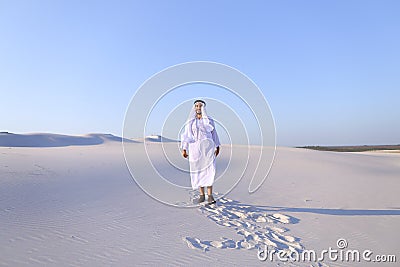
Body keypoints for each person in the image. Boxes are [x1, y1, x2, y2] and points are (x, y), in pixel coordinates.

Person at [181, 99, 220, 204]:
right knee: (198, 170)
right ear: (194, 108)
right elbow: (186, 135)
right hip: (194, 148)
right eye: (196, 106)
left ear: (203, 108)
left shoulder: (209, 120)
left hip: (207, 148)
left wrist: (217, 146)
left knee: (209, 169)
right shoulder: (190, 122)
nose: (198, 108)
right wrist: (184, 148)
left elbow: (214, 133)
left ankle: (210, 195)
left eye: (200, 106)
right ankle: (202, 195)